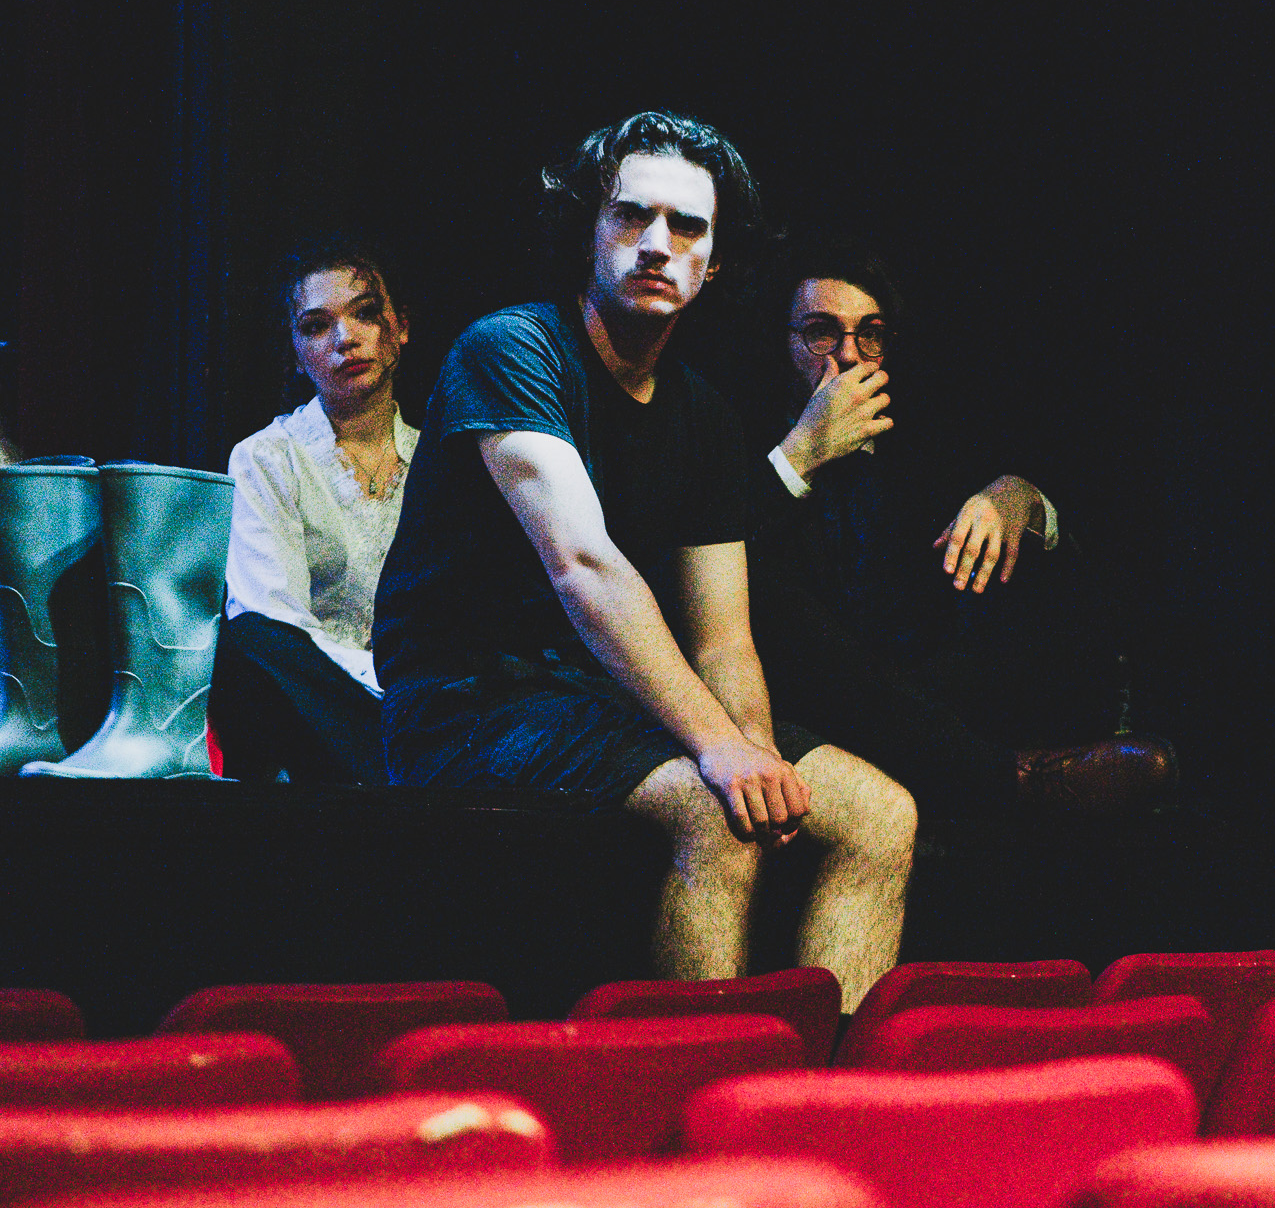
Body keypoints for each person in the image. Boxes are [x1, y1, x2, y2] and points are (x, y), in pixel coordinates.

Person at [372, 113, 916, 1008]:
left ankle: (823, 1081)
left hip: (602, 698)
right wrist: (720, 751)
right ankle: (701, 1084)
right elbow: (584, 565)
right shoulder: (510, 349)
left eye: (688, 226)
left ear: (714, 262)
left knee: (881, 815)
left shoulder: (704, 415)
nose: (658, 244)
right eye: (632, 215)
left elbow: (724, 637)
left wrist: (755, 750)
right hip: (469, 702)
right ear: (590, 228)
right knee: (715, 811)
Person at [716, 232, 1176, 822]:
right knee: (773, 600)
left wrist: (1017, 496)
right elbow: (712, 557)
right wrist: (803, 452)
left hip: (921, 680)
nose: (849, 356)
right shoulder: (738, 434)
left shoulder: (922, 435)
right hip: (811, 691)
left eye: (870, 334)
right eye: (821, 332)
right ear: (782, 342)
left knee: (1034, 562)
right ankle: (1013, 782)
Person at [214, 235, 415, 784]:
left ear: (400, 328)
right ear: (296, 356)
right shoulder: (266, 457)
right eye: (316, 326)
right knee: (253, 640)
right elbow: (271, 622)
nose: (346, 338)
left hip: (428, 703)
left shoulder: (440, 459)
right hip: (319, 707)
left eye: (365, 314)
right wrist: (385, 686)